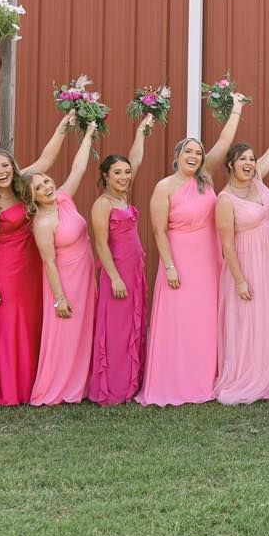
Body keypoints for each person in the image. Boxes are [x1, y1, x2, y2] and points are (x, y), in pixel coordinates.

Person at [138, 96, 247, 406]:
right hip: (180, 260)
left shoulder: (206, 179)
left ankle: (204, 378)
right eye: (188, 151)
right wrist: (170, 266)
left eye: (198, 152)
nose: (195, 156)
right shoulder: (165, 187)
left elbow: (225, 143)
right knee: (180, 321)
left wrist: (237, 108)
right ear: (177, 155)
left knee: (205, 321)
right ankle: (174, 381)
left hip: (208, 260)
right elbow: (159, 230)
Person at [0, 113, 78, 407]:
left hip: (34, 265)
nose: (2, 171)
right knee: (10, 327)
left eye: (5, 165)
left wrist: (62, 126)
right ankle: (8, 389)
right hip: (5, 271)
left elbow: (47, 158)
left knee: (34, 322)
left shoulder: (23, 185)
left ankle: (37, 383)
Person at [212, 103, 269, 405]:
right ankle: (251, 373)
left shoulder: (258, 179)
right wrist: (239, 280)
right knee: (251, 320)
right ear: (231, 165)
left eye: (251, 159)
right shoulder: (225, 200)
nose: (249, 164)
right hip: (248, 263)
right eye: (243, 160)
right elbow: (226, 244)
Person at [27, 125, 100, 406]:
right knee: (67, 332)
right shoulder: (42, 223)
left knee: (85, 329)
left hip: (84, 275)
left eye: (46, 182)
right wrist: (59, 298)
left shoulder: (64, 200)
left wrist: (89, 135)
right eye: (39, 187)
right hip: (64, 280)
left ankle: (83, 383)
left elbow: (78, 169)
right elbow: (48, 262)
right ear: (31, 196)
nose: (47, 187)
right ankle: (59, 385)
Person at [87, 116, 153, 405]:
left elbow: (136, 160)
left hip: (134, 271)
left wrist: (141, 131)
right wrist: (113, 277)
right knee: (116, 330)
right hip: (117, 273)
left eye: (126, 172)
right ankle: (114, 388)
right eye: (118, 173)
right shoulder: (102, 204)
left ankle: (131, 382)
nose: (125, 176)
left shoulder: (123, 197)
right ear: (105, 176)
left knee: (133, 326)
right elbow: (100, 244)